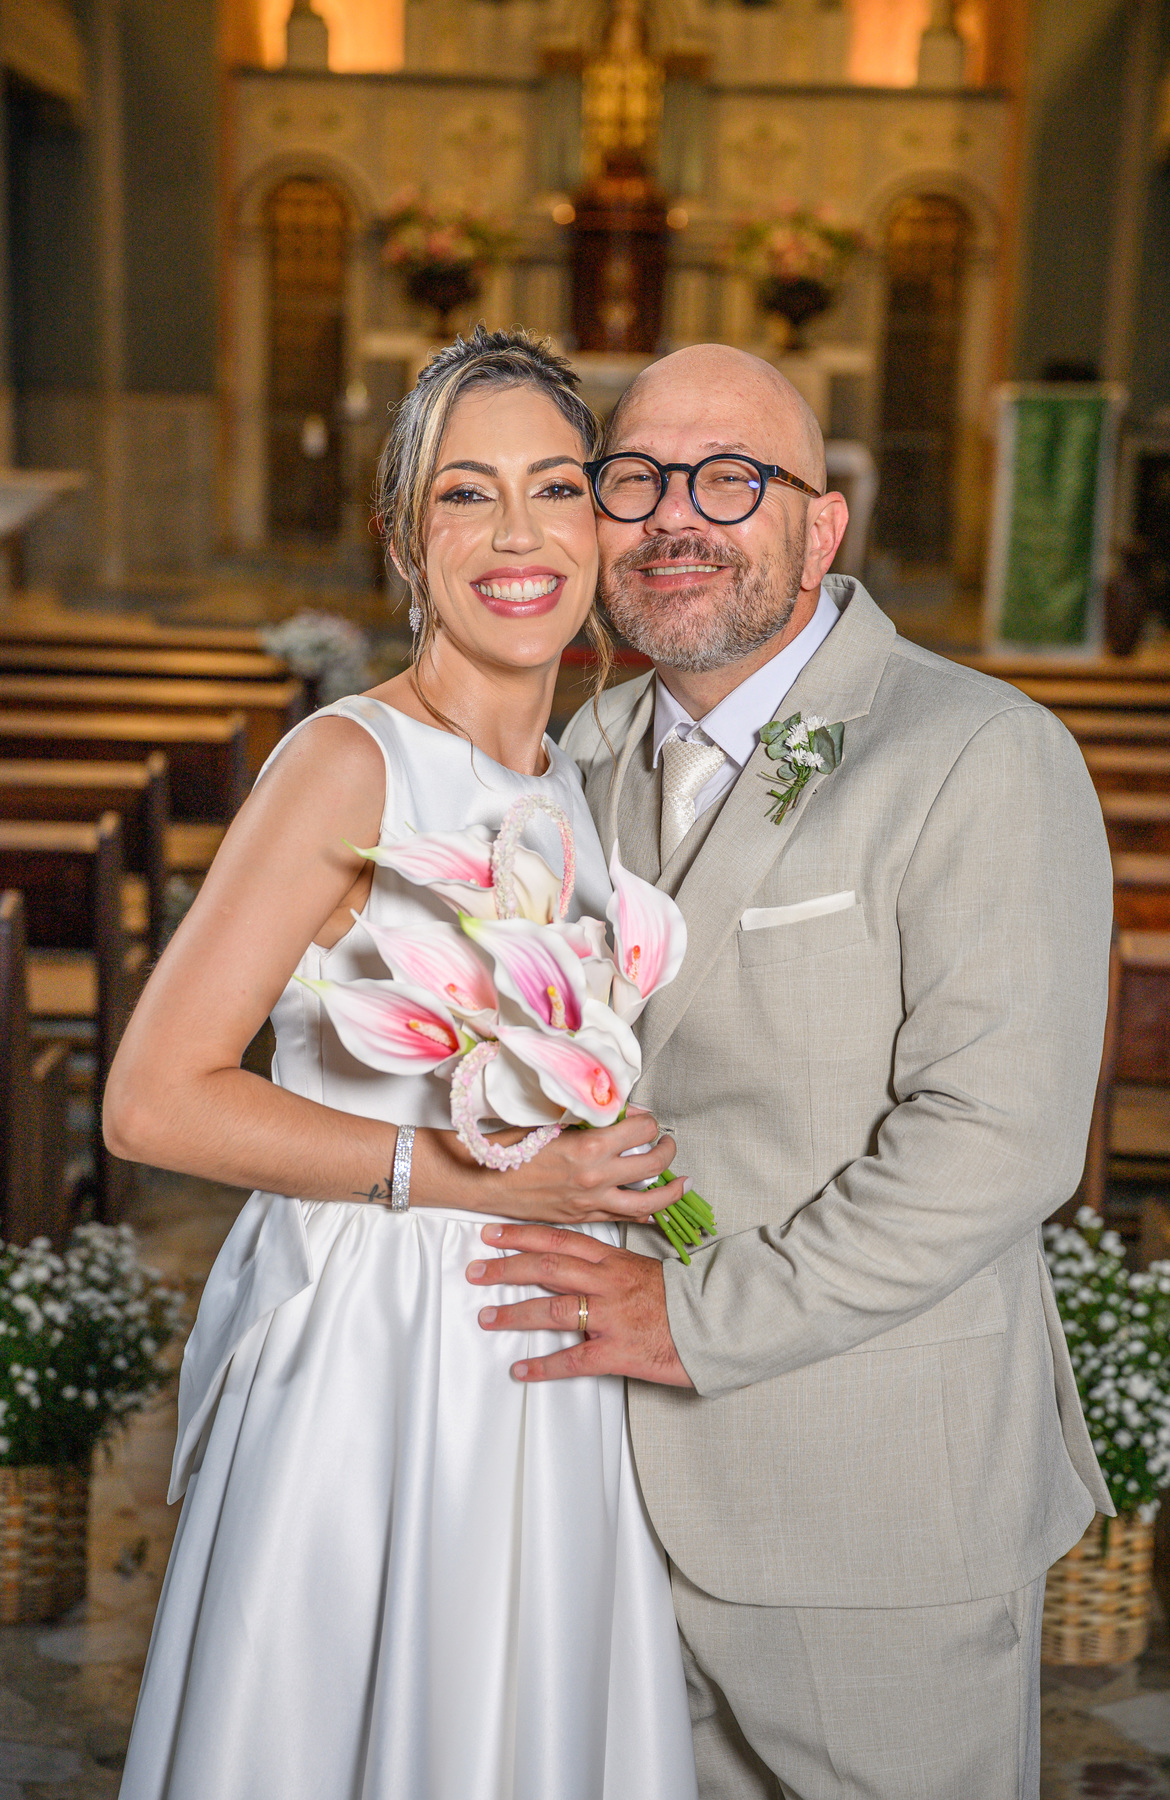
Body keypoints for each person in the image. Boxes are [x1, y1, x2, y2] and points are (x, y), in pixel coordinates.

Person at [464, 343, 1115, 1800]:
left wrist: (692, 1317)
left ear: (823, 528)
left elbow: (999, 1143)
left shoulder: (980, 753)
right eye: (635, 479)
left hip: (866, 1506)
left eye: (730, 479)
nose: (673, 516)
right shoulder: (586, 748)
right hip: (597, 1493)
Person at [104, 327, 698, 1800]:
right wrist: (470, 1175)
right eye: (465, 494)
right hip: (383, 1344)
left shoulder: (575, 782)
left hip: (542, 1343)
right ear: (402, 542)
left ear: (601, 526)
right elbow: (153, 1099)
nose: (519, 534)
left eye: (555, 487)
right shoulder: (349, 763)